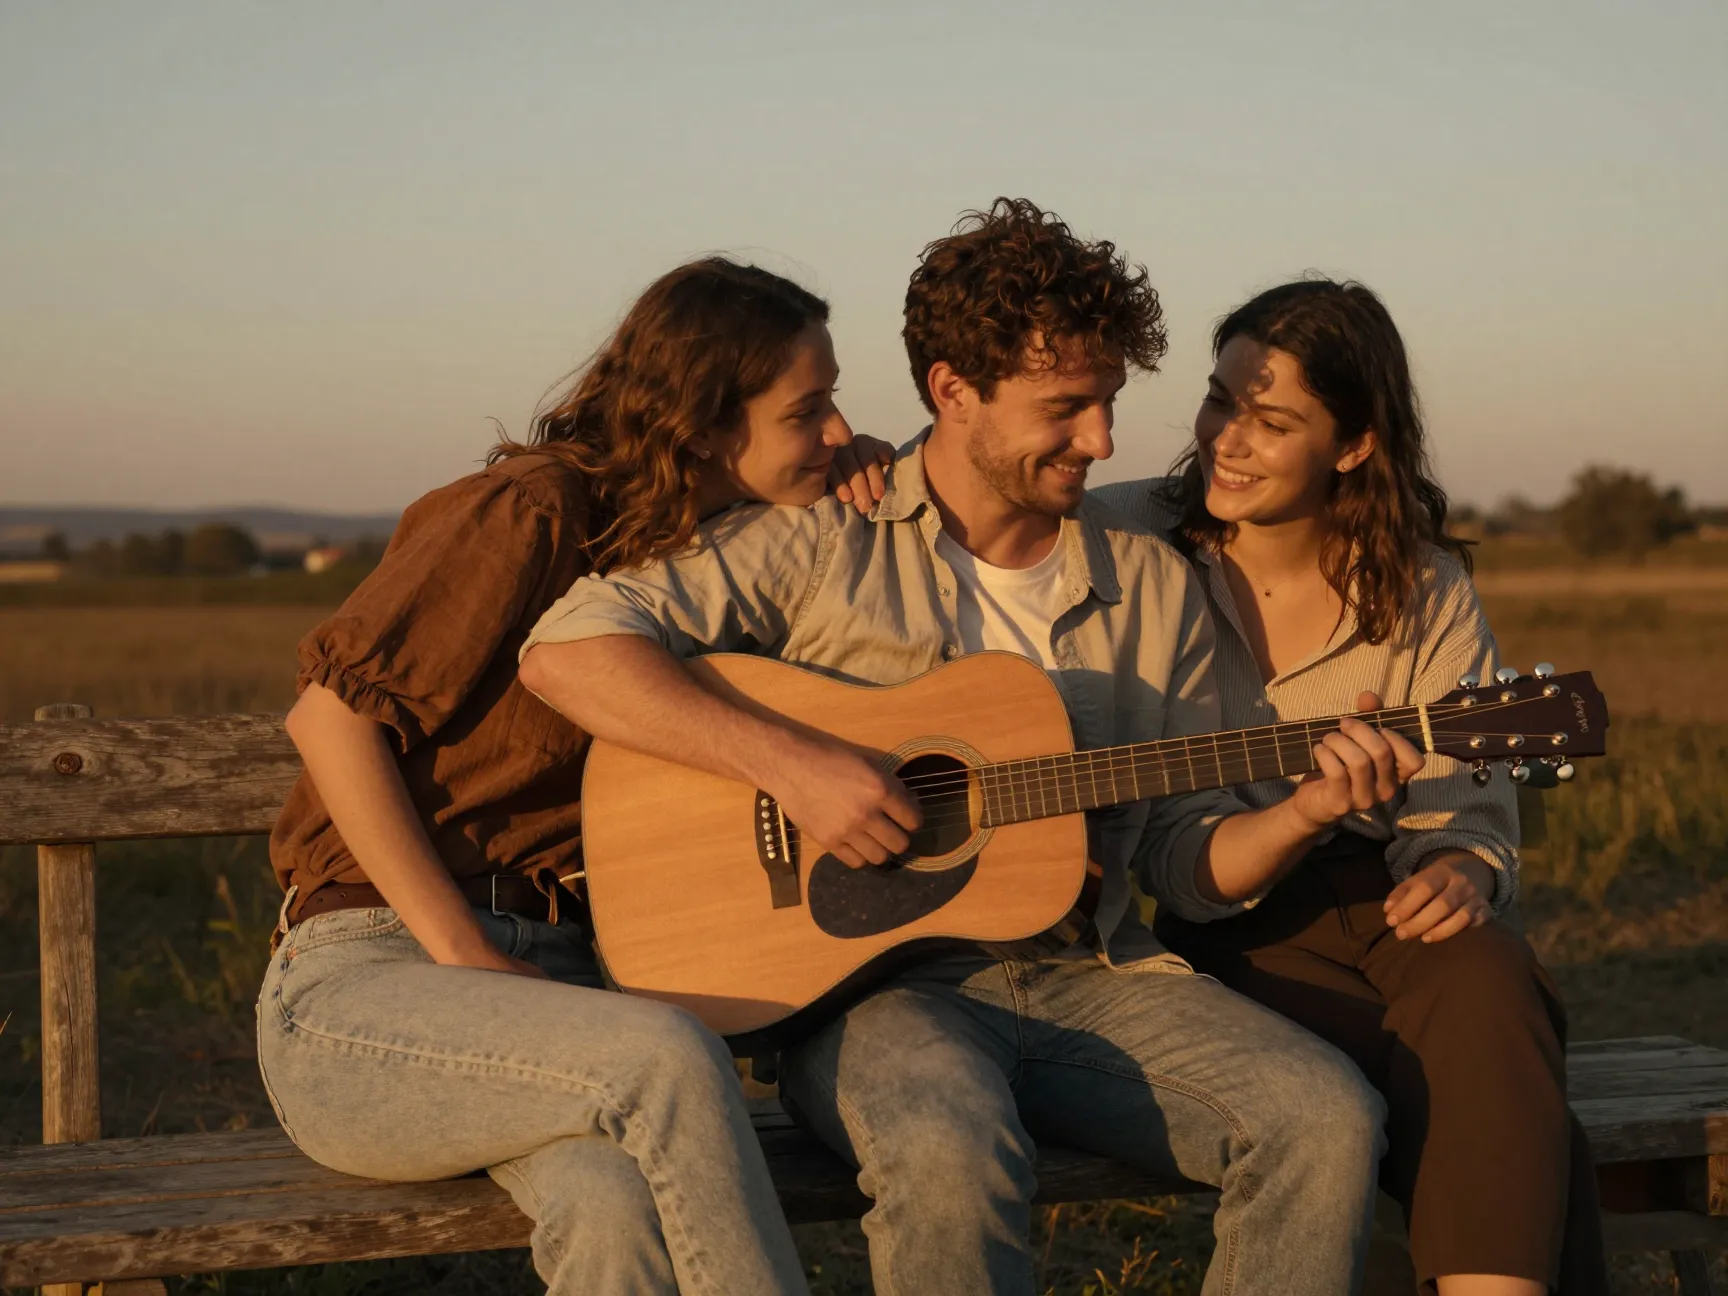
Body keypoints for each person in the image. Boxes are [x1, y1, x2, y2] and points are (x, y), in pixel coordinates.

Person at [519, 200, 1424, 1296]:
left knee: (1326, 1119)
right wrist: (795, 766)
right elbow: (569, 649)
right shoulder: (820, 532)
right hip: (865, 993)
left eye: (1109, 404)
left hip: (1088, 972)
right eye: (1065, 408)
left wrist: (1304, 812)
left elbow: (1183, 859)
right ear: (952, 390)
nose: (1100, 442)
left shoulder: (1149, 586)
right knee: (948, 1147)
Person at [258, 257, 894, 1296]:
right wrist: (460, 949)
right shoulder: (529, 510)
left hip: (559, 993)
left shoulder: (708, 555)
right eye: (809, 407)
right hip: (367, 985)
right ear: (698, 423)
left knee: (612, 1203)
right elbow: (328, 722)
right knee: (670, 1058)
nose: (836, 427)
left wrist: (868, 473)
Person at [1092, 278, 1610, 1296]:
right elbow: (1182, 876)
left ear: (1355, 444)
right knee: (1491, 1099)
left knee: (1487, 977)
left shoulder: (1423, 587)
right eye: (1219, 398)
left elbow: (1466, 809)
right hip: (1227, 917)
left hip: (1384, 896)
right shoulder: (1122, 540)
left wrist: (1462, 864)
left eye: (1272, 419)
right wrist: (1301, 811)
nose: (1225, 439)